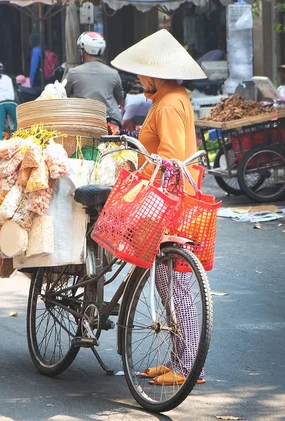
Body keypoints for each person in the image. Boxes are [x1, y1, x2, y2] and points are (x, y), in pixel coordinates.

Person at [111, 29, 207, 386]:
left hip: (171, 199)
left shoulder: (167, 104)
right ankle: (179, 360)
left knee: (174, 283)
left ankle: (186, 368)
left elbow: (171, 157)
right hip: (177, 194)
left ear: (154, 74)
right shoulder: (171, 97)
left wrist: (141, 177)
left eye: (142, 73)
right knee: (168, 282)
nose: (139, 78)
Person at [64, 32, 124, 124]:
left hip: (82, 120)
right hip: (111, 120)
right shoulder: (114, 73)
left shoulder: (73, 73)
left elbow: (63, 94)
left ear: (84, 51)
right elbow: (119, 98)